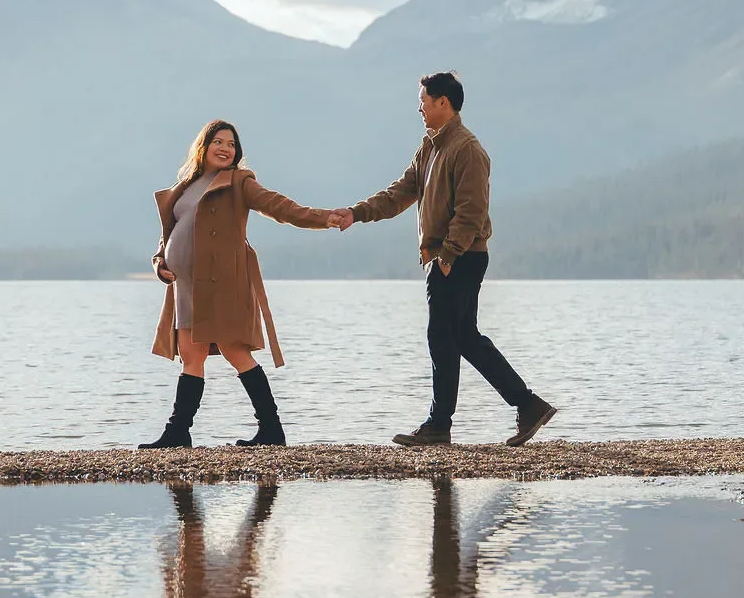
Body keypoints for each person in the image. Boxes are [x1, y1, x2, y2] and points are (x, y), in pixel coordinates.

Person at [328, 73, 558, 447]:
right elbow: (398, 194)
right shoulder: (430, 148)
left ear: (443, 103)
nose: (419, 108)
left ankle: (440, 425)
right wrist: (356, 213)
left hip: (458, 257)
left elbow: (472, 211)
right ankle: (527, 405)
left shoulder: (467, 150)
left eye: (423, 100)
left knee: (443, 337)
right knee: (463, 337)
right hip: (448, 257)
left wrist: (448, 256)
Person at [141, 119, 331, 449]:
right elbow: (169, 233)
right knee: (191, 355)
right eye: (219, 142)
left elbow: (279, 206)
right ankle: (178, 432)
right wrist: (160, 261)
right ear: (203, 147)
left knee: (236, 352)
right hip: (186, 286)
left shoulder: (239, 182)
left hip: (221, 284)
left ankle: (271, 429)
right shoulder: (186, 185)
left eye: (231, 144)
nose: (225, 148)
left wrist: (323, 218)